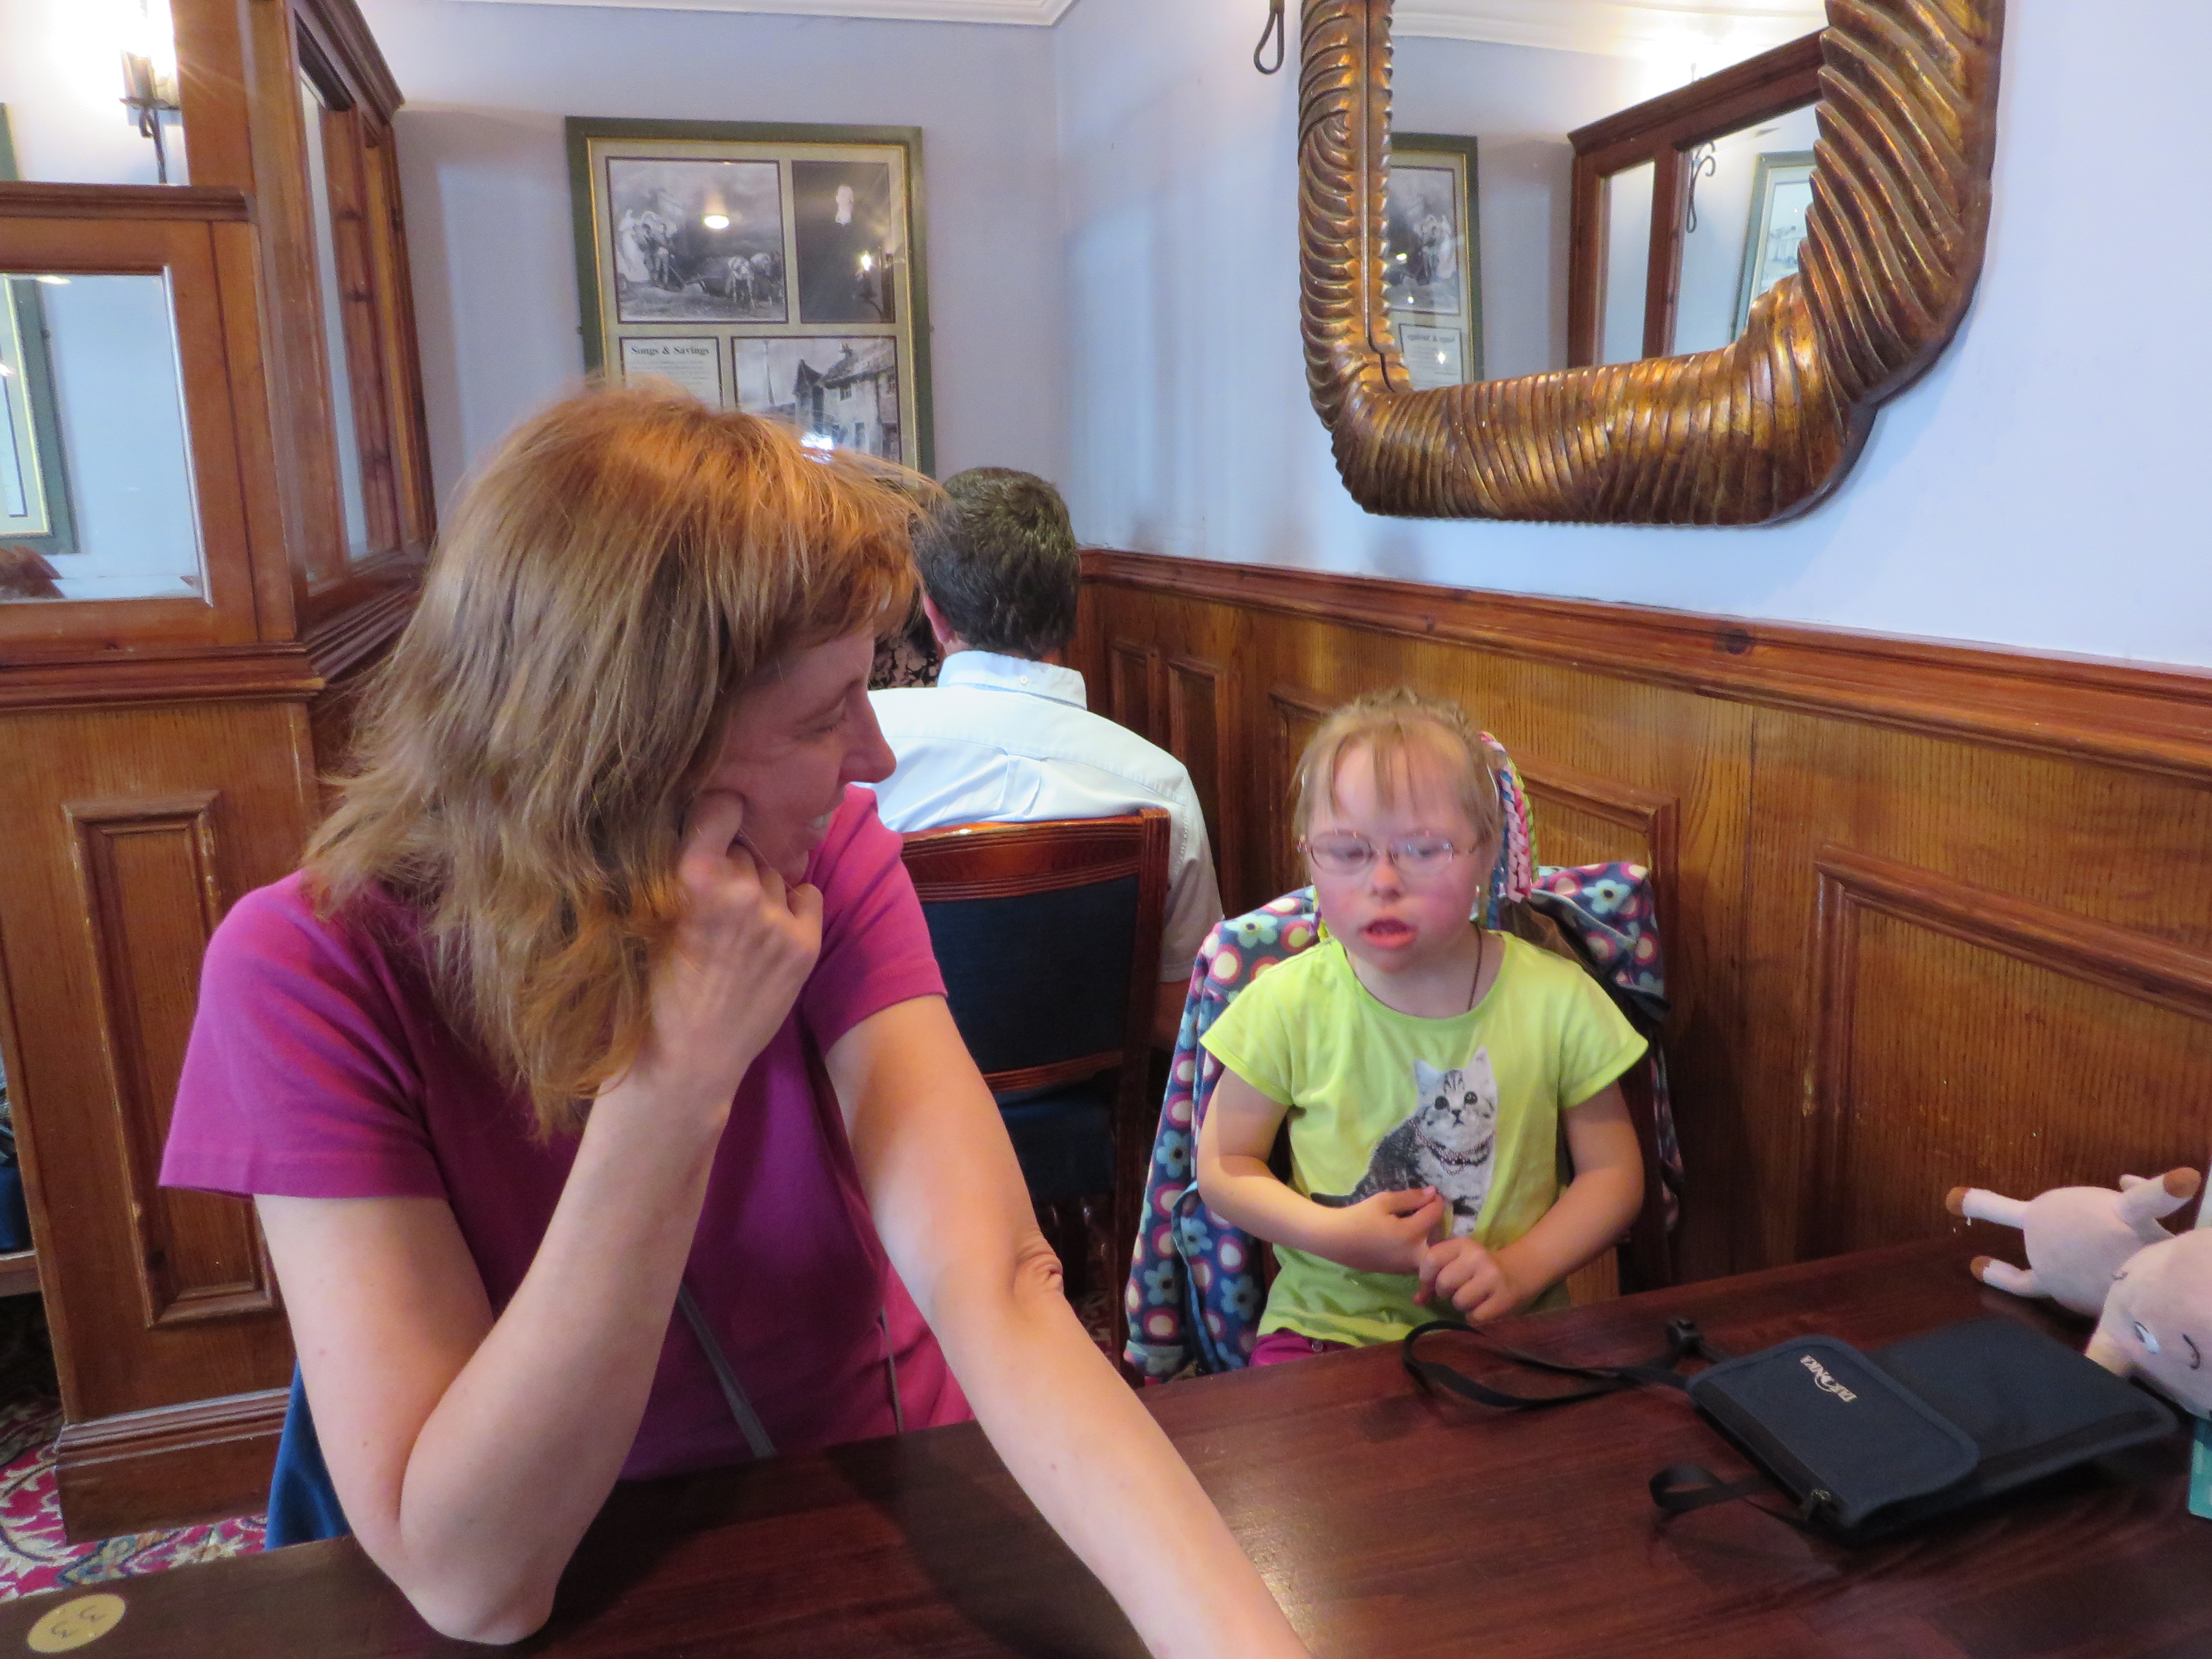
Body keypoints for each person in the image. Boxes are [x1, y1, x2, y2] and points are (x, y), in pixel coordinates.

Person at [158, 388, 1307, 1656]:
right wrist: (673, 1083)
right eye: (822, 716)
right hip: (597, 1564)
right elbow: (475, 1582)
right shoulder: (304, 969)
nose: (873, 758)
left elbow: (1000, 1283)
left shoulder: (831, 853)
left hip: (885, 1492)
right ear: (624, 752)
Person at [1193, 689, 1645, 1363]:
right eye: (1345, 851)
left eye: (1423, 849)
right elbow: (1225, 1165)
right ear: (1307, 856)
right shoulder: (1285, 1004)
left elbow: (1613, 1175)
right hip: (1323, 1329)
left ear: (1487, 852)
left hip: (1513, 1331)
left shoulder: (1558, 1000)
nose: (1382, 880)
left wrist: (1519, 1271)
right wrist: (1333, 1234)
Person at [868, 468, 1221, 1045]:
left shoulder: (859, 753)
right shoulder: (1161, 784)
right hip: (1092, 1104)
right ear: (1071, 610)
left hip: (894, 1093)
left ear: (935, 616)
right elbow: (1180, 1013)